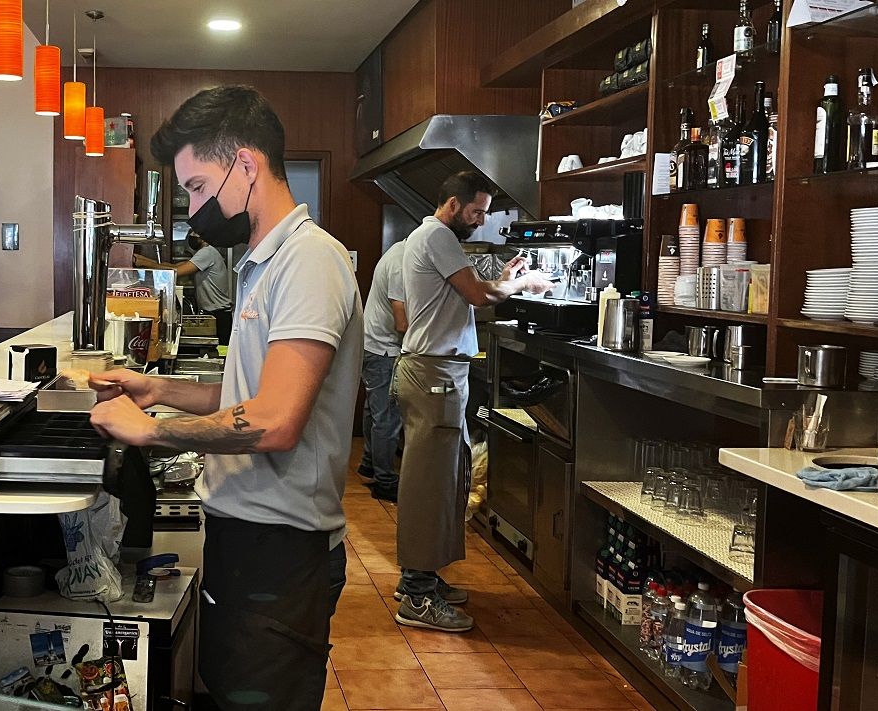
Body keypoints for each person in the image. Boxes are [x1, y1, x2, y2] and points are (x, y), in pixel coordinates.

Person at [86, 85, 362, 710]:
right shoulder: (260, 262)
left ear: (245, 164)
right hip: (246, 536)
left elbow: (274, 422)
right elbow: (244, 391)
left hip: (281, 551)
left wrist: (152, 431)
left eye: (198, 187)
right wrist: (156, 389)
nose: (194, 208)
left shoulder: (309, 262)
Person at [393, 171, 553, 633]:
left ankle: (423, 579)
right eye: (477, 211)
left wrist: (506, 277)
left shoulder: (434, 237)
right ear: (452, 203)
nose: (481, 220)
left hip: (440, 374)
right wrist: (523, 286)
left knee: (446, 482)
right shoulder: (437, 235)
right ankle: (416, 595)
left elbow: (473, 293)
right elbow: (480, 296)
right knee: (430, 486)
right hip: (433, 375)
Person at [358, 239, 407, 503]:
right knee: (387, 418)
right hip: (384, 349)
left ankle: (369, 465)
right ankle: (385, 482)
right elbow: (401, 322)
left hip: (373, 345)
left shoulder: (397, 251)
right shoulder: (401, 263)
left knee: (374, 411)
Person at [133, 232, 234, 344]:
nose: (191, 236)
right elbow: (174, 266)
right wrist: (146, 261)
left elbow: (177, 272)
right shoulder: (204, 253)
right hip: (214, 312)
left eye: (194, 233)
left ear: (204, 237)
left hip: (219, 315)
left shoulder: (207, 252)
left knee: (221, 352)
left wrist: (144, 263)